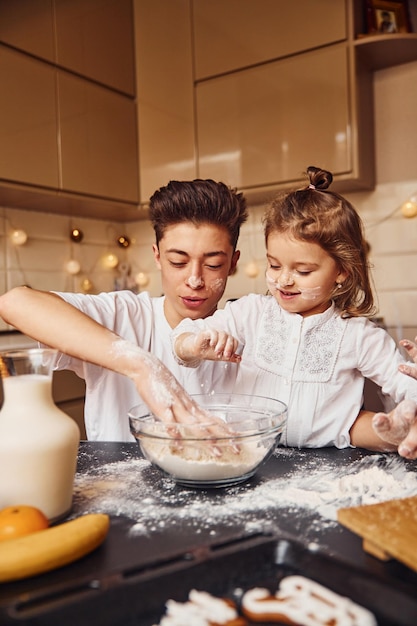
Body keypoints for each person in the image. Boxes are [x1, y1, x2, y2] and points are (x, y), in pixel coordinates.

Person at [173, 166, 417, 457]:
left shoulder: (358, 335)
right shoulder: (251, 313)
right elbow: (182, 337)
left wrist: (406, 411)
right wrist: (194, 345)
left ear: (341, 271)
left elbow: (403, 384)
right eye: (274, 265)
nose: (284, 279)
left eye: (303, 271)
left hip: (327, 465)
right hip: (247, 458)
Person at [0, 179, 248, 441]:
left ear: (233, 262)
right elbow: (14, 302)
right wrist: (142, 366)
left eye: (213, 265)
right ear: (157, 256)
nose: (195, 280)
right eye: (178, 262)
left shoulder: (247, 328)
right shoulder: (123, 316)